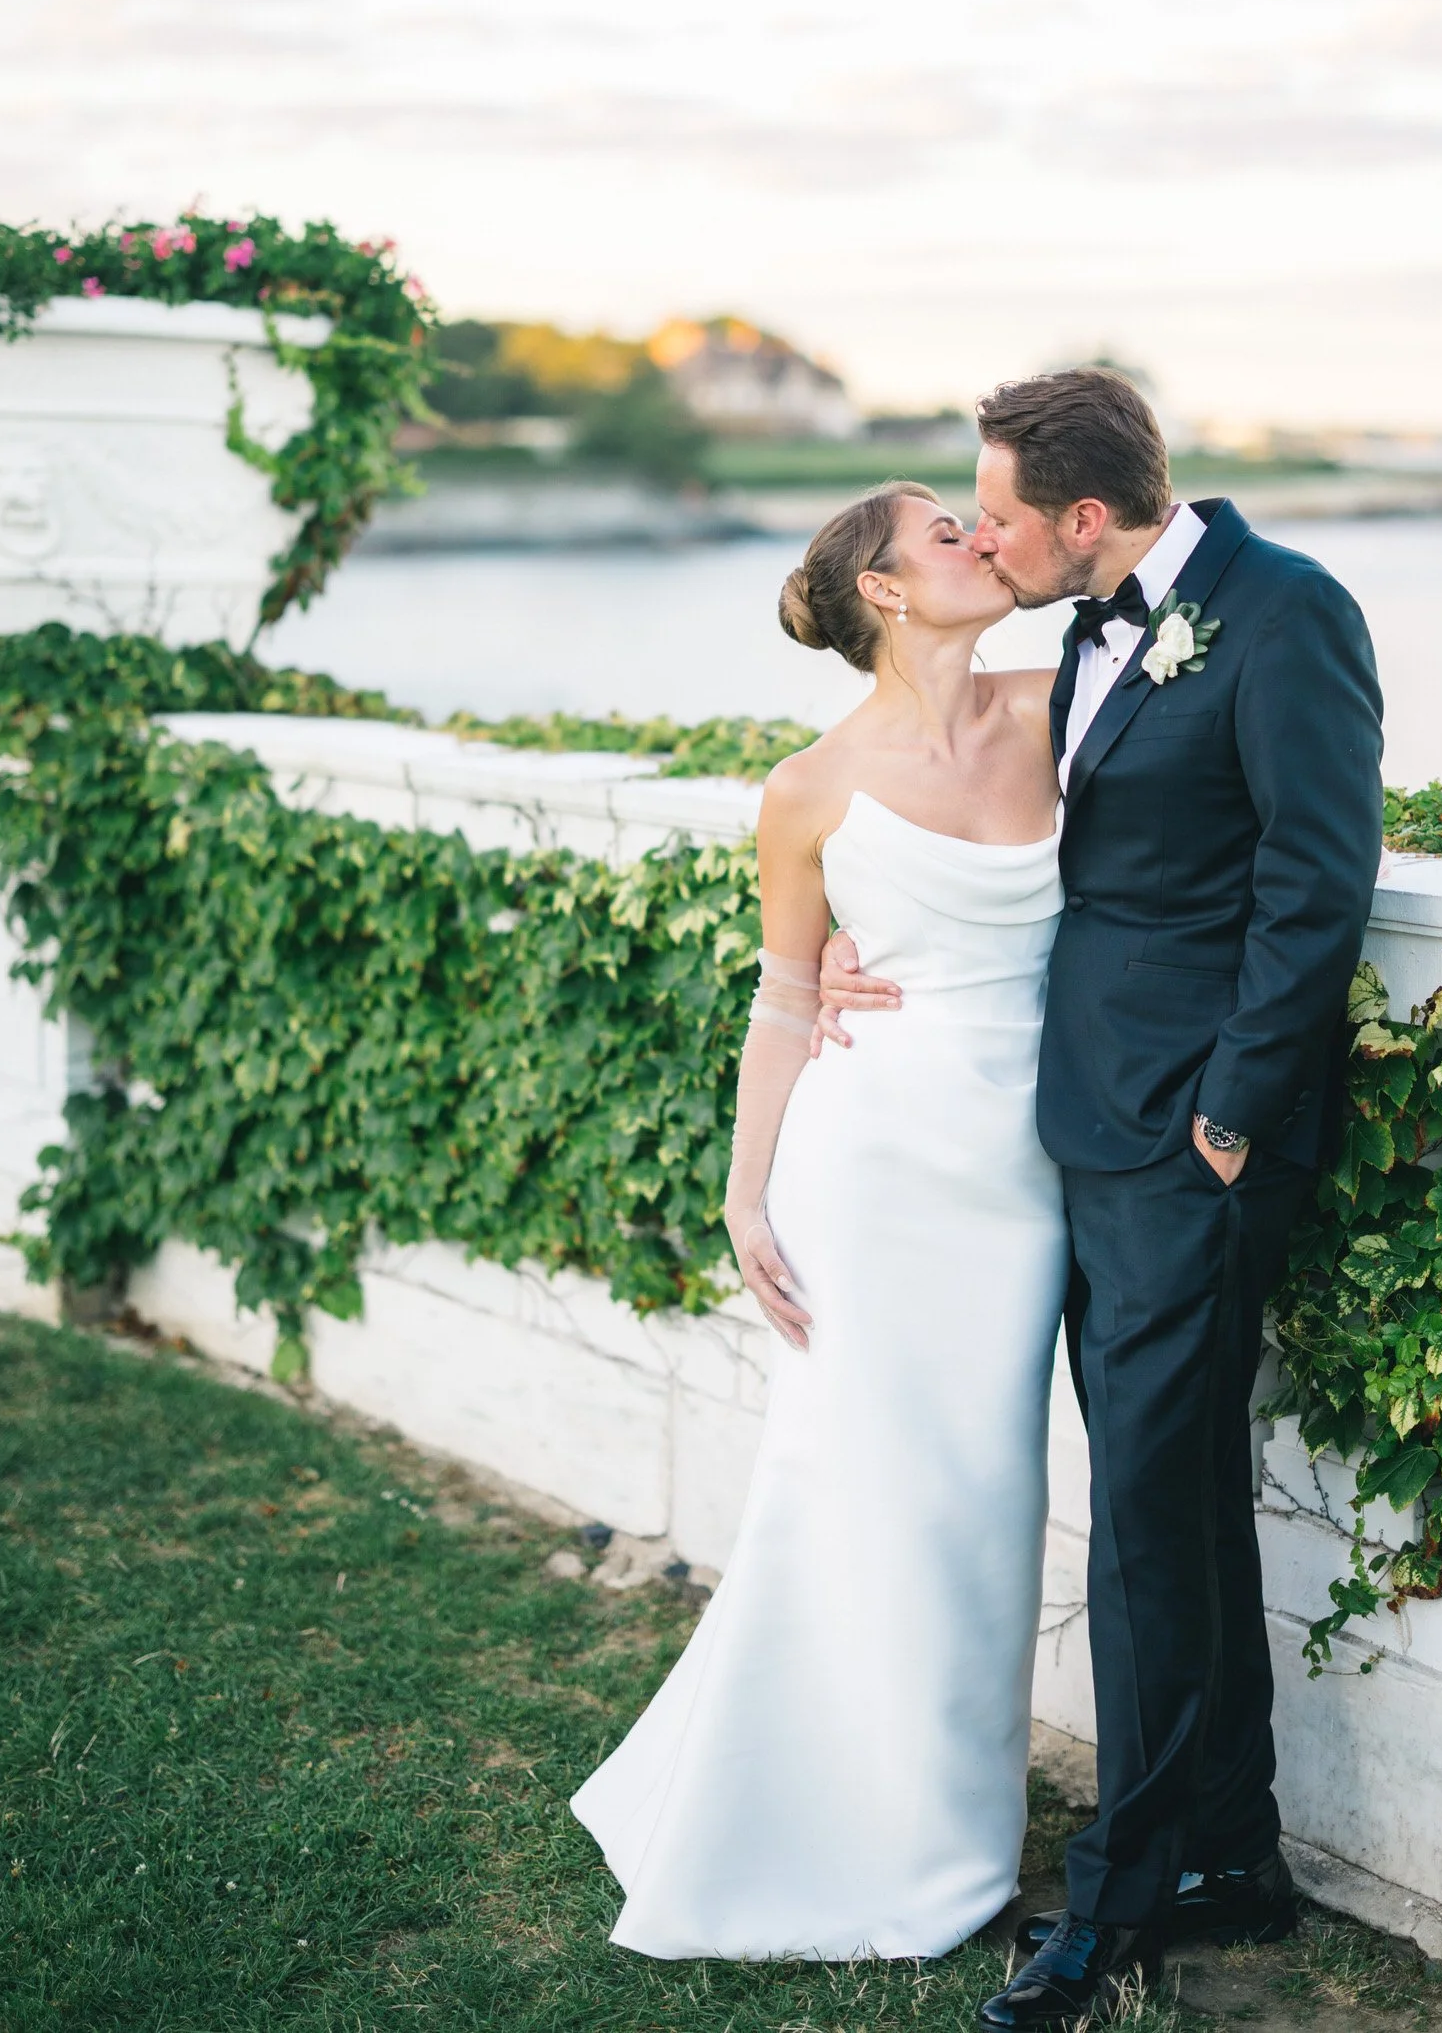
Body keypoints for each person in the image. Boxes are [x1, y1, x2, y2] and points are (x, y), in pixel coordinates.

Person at [819, 368, 1384, 2029]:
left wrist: (1228, 1115)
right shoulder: (1079, 625)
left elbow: (1315, 879)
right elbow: (982, 810)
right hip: (1081, 1126)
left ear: (1082, 515)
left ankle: (1115, 1906)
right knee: (1180, 1502)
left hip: (1188, 1148)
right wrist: (858, 943)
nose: (978, 537)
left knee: (1141, 1523)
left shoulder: (1284, 614)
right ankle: (1230, 1853)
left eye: (993, 511)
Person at [570, 479, 1072, 1960]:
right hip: (871, 1170)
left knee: (983, 1508)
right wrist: (744, 1194)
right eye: (942, 533)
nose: (978, 539)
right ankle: (878, 1847)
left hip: (1028, 1172)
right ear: (886, 592)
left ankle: (934, 1820)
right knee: (858, 1492)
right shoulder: (810, 787)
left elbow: (1176, 614)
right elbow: (788, 996)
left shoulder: (1065, 707)